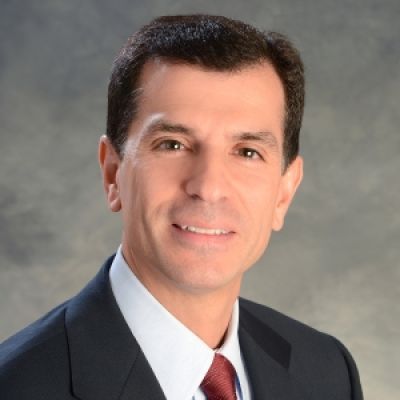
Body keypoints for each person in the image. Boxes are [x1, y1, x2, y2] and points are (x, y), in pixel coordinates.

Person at [0, 14, 363, 399]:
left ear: (284, 193)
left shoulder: (326, 372)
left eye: (247, 152)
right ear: (112, 172)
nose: (208, 187)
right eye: (172, 144)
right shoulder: (17, 386)